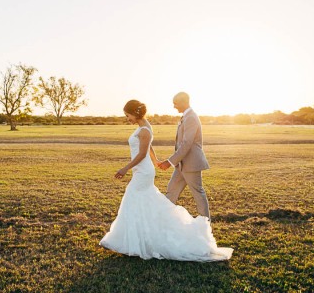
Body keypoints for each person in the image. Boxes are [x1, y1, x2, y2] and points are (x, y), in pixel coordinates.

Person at [99, 99, 232, 261]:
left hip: (152, 170)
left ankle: (131, 238)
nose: (128, 118)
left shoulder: (147, 129)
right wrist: (156, 161)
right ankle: (149, 231)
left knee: (136, 196)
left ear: (135, 113)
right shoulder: (144, 127)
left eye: (128, 115)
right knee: (152, 198)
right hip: (145, 169)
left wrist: (125, 168)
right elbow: (149, 148)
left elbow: (145, 153)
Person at [158, 92, 211, 220]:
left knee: (198, 193)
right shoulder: (185, 117)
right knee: (172, 189)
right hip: (181, 164)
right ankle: (163, 220)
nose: (174, 106)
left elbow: (187, 144)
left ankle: (205, 223)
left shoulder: (191, 117)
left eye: (175, 103)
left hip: (191, 164)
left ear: (183, 102)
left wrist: (169, 162)